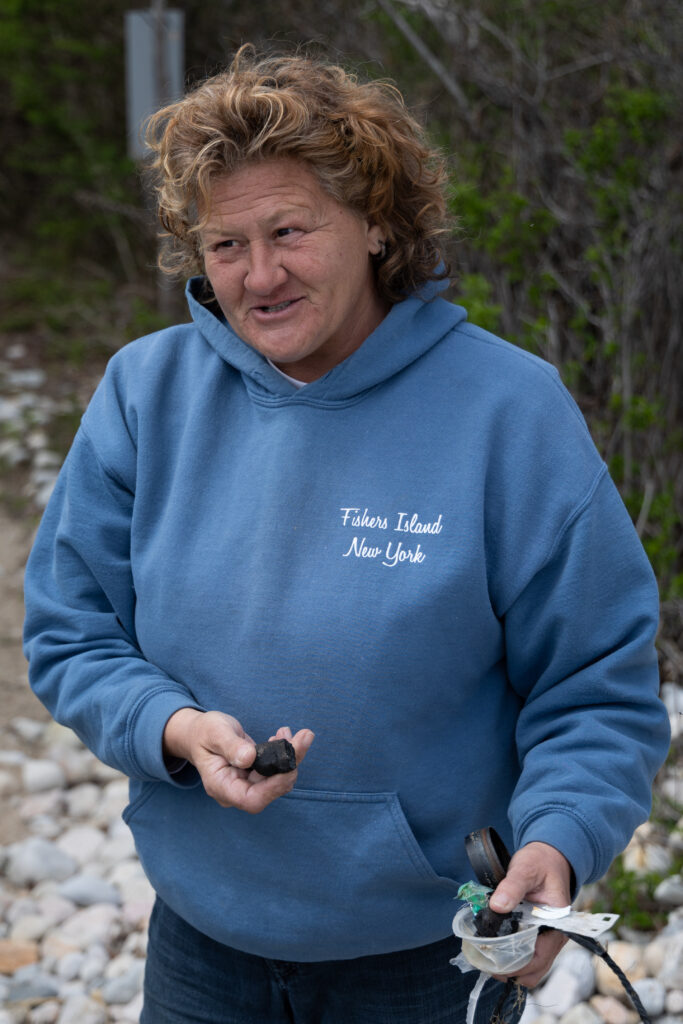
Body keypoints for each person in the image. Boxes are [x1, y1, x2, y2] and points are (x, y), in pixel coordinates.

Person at [23, 46, 670, 1023]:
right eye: (225, 244)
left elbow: (592, 686)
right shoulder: (145, 395)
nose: (259, 275)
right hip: (200, 944)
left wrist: (558, 837)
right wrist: (172, 728)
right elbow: (71, 634)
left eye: (289, 229)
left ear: (375, 221)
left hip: (421, 958)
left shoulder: (507, 412)